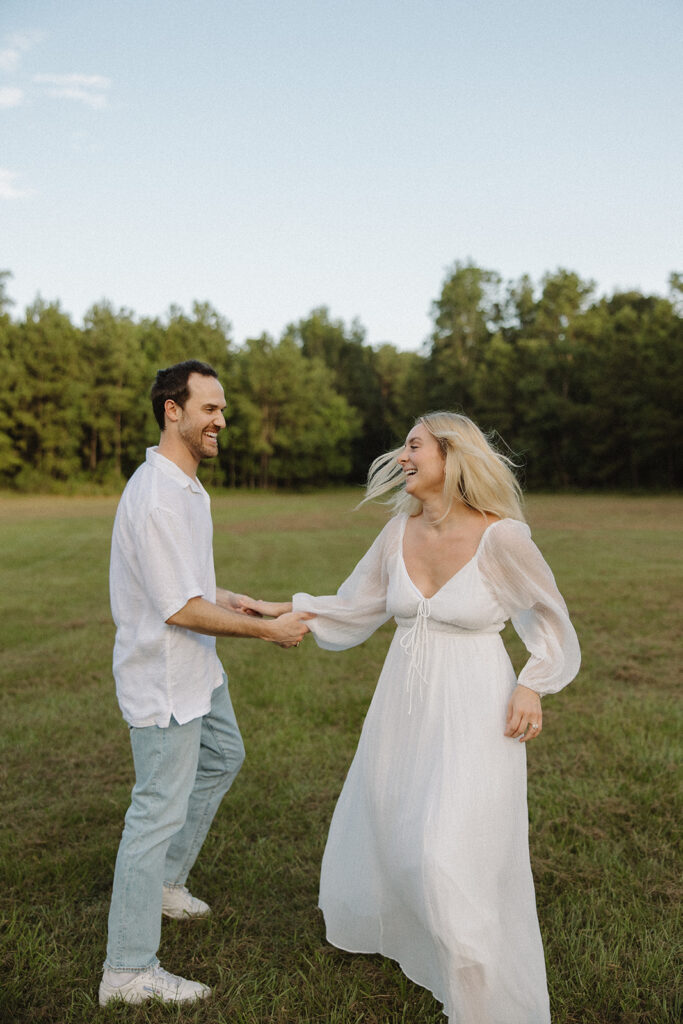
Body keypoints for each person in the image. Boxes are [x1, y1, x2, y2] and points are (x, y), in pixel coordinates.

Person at [242, 412, 580, 1023]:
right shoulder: (397, 531)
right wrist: (279, 608)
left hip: (475, 706)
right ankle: (420, 941)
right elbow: (359, 604)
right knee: (398, 830)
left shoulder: (503, 538)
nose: (401, 455)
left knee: (445, 848)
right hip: (402, 703)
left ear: (452, 456)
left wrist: (533, 685)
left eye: (414, 445)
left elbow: (551, 620)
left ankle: (480, 989)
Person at [99, 360, 312, 1007]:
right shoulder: (158, 494)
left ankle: (164, 884)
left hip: (198, 669)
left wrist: (247, 603)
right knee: (155, 811)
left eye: (222, 409)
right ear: (173, 410)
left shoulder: (188, 487)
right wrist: (268, 634)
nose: (221, 420)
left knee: (224, 754)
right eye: (209, 408)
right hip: (164, 675)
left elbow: (192, 586)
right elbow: (177, 608)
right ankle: (128, 971)